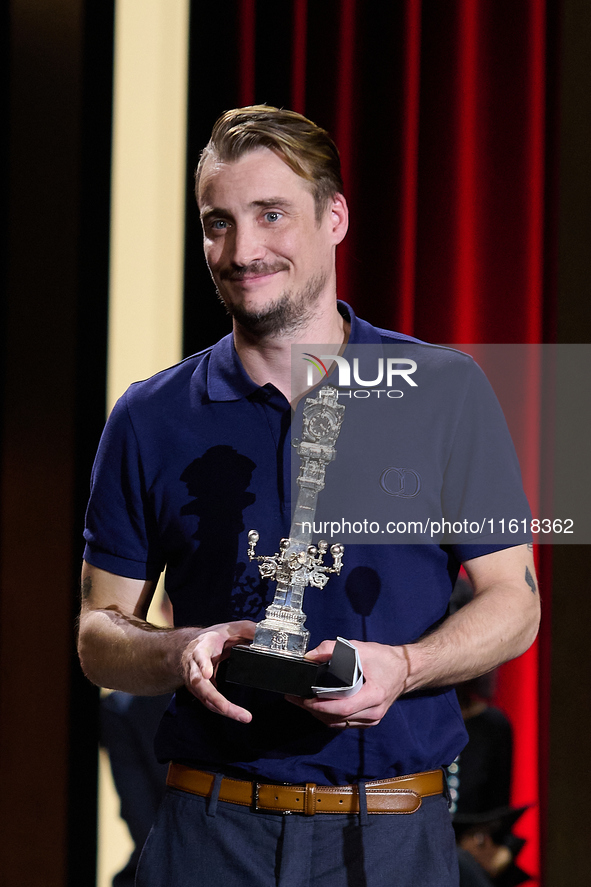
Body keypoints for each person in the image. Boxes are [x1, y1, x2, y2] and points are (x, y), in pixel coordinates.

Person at [78, 105, 540, 887]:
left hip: (392, 839)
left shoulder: (444, 390)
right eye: (217, 223)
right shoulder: (148, 415)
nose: (241, 249)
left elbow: (515, 601)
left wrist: (405, 664)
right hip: (209, 833)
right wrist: (178, 649)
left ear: (334, 217)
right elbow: (97, 633)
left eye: (270, 215)